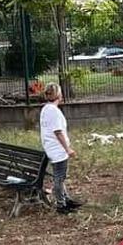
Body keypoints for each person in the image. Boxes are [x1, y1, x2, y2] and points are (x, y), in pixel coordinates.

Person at [40, 82, 80, 215]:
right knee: (59, 178)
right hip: (58, 150)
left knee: (60, 177)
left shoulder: (45, 109)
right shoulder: (54, 111)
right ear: (59, 94)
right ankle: (61, 205)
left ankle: (66, 200)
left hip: (50, 148)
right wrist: (67, 149)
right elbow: (58, 132)